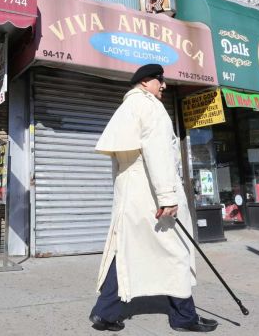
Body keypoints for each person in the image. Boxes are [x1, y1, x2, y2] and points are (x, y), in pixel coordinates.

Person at [89, 64, 218, 333]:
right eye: (160, 80)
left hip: (131, 196)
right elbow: (158, 154)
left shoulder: (126, 108)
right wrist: (167, 196)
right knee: (177, 253)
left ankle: (105, 312)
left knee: (125, 251)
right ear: (146, 82)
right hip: (153, 196)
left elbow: (119, 163)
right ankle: (184, 318)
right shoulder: (151, 107)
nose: (164, 85)